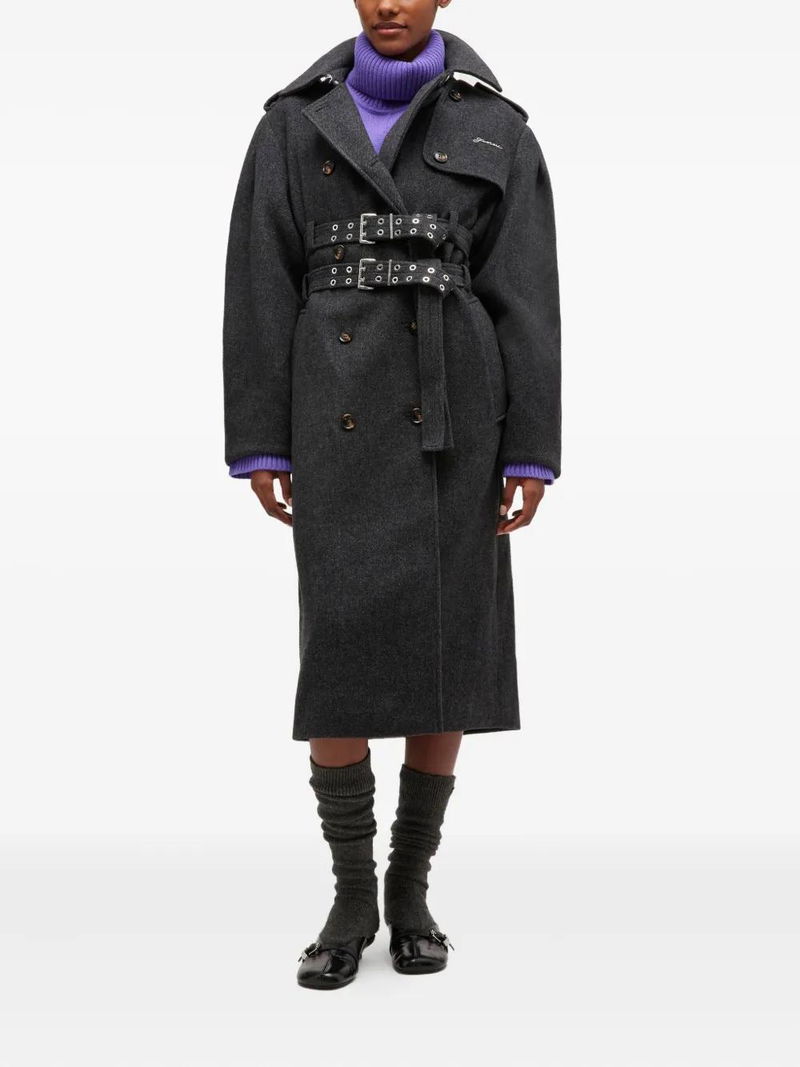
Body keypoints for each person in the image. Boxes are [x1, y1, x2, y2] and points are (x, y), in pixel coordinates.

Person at [222, 0, 561, 990]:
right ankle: (350, 896)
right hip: (333, 410)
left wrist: (528, 451)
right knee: (336, 649)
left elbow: (527, 294)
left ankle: (408, 891)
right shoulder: (292, 123)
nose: (389, 3)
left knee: (444, 649)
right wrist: (259, 437)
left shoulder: (496, 125)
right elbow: (257, 282)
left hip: (456, 417)